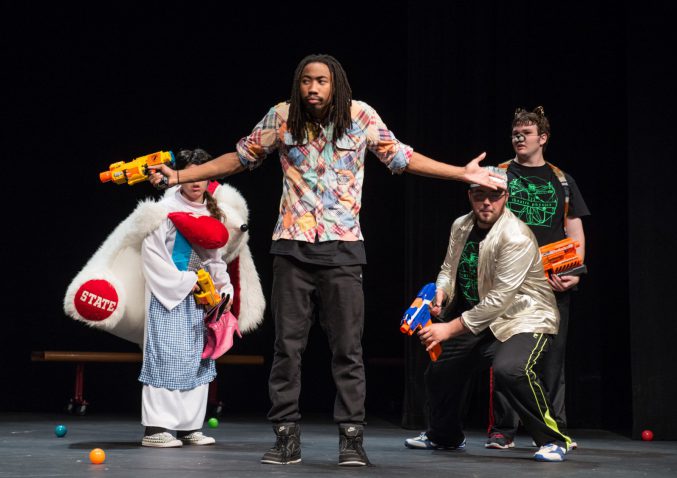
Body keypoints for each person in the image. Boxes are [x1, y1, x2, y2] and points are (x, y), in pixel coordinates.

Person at [148, 53, 504, 466]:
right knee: (287, 349)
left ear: (335, 84)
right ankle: (285, 437)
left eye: (321, 81)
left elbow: (403, 158)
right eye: (306, 81)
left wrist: (461, 174)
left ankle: (351, 439)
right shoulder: (281, 117)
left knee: (348, 350)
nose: (313, 88)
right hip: (292, 248)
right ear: (297, 85)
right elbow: (238, 157)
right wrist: (178, 177)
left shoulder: (361, 116)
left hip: (343, 249)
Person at [403, 167, 573, 462]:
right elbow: (448, 269)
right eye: (479, 194)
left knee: (511, 369)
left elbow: (499, 299)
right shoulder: (461, 226)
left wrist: (448, 328)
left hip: (525, 316)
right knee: (442, 367)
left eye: (493, 196)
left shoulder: (516, 236)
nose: (486, 202)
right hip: (485, 320)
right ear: (470, 195)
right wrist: (442, 293)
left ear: (505, 197)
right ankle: (445, 436)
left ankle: (553, 439)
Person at [485, 107, 590, 450]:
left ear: (542, 138)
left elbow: (573, 226)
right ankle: (503, 429)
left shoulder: (561, 179)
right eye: (515, 132)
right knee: (506, 357)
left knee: (551, 360)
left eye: (526, 133)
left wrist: (574, 271)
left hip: (551, 280)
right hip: (509, 280)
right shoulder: (499, 174)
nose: (519, 138)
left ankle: (554, 429)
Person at [139, 148, 234, 448]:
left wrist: (224, 289)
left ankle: (189, 426)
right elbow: (152, 254)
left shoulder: (212, 212)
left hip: (202, 297)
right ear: (180, 176)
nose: (196, 182)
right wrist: (183, 281)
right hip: (171, 294)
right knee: (166, 357)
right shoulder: (163, 209)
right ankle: (157, 428)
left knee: (197, 359)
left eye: (203, 175)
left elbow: (215, 260)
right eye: (192, 174)